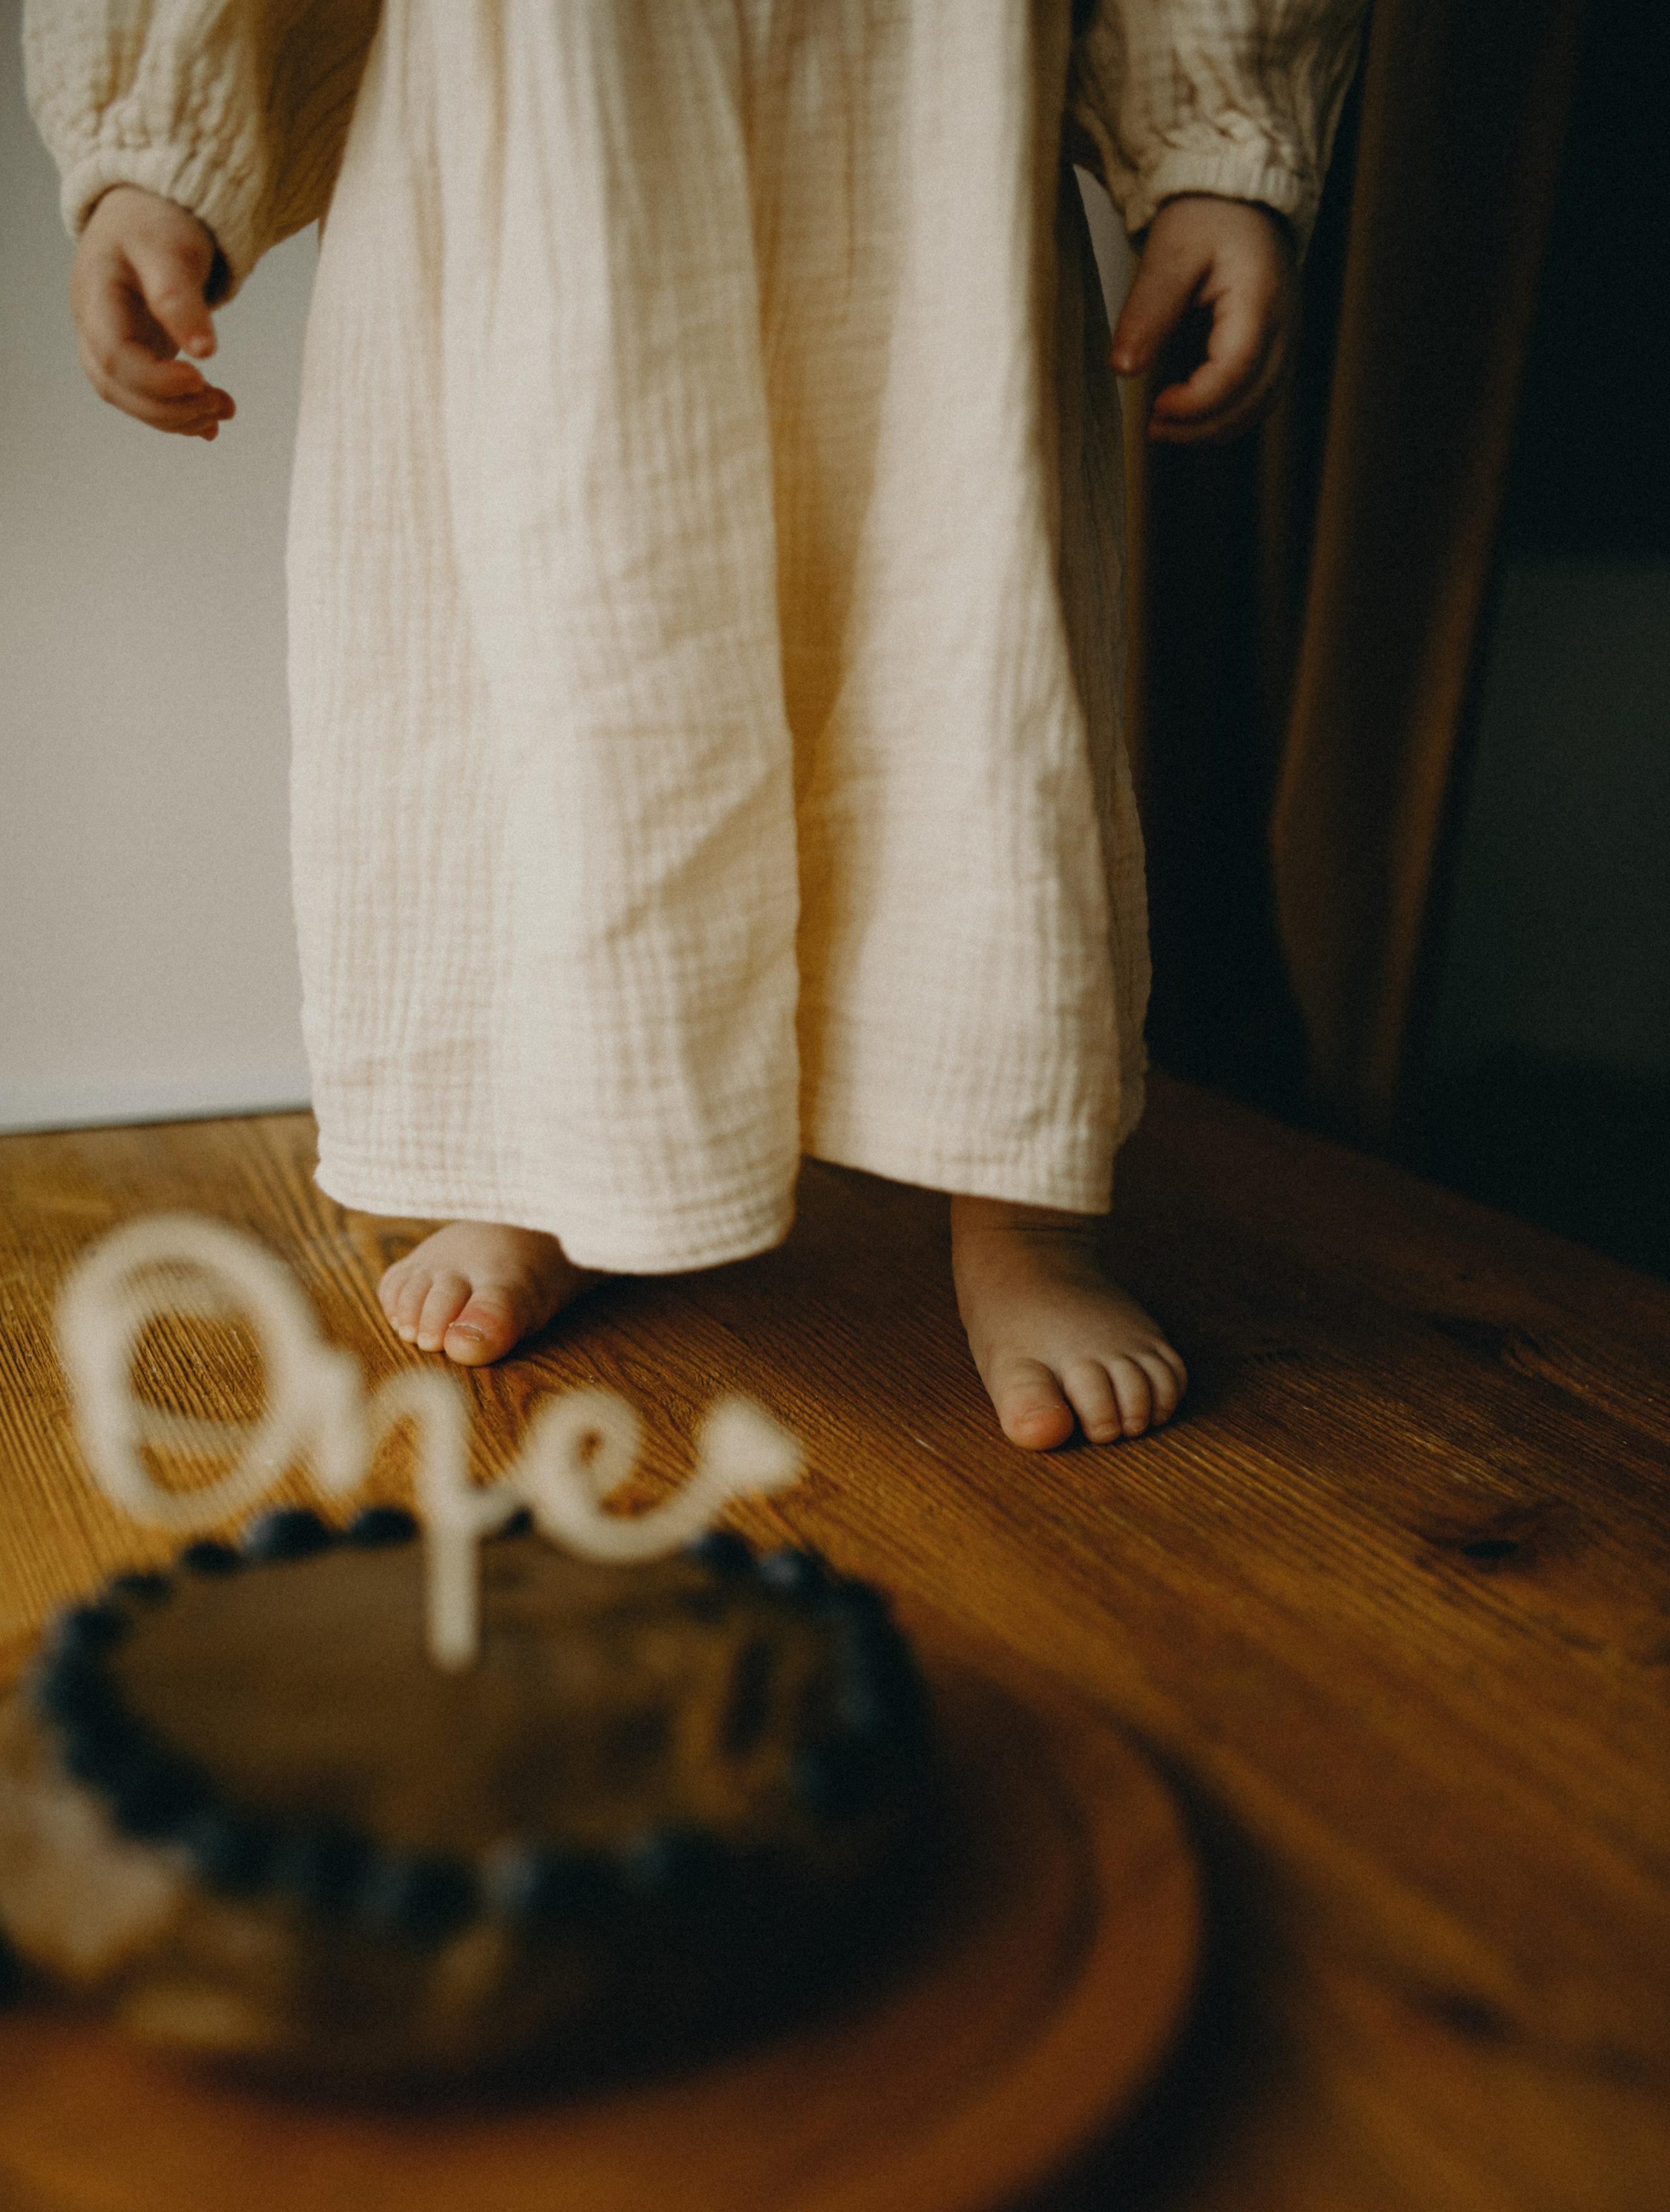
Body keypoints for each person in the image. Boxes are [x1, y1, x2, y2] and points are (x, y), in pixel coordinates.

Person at [27, 0, 1365, 1451]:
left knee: (965, 668)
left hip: (928, 137)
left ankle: (1020, 1215)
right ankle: (533, 1164)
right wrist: (159, 143)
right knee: (552, 675)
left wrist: (1216, 141)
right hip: (537, 141)